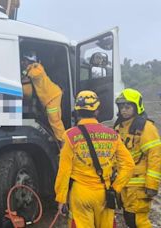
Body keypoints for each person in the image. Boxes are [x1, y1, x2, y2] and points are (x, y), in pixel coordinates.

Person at [54, 90, 134, 228]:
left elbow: (64, 170)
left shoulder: (69, 135)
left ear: (77, 111)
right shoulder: (112, 134)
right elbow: (129, 165)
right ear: (97, 111)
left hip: (81, 194)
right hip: (105, 193)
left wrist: (61, 198)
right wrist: (116, 188)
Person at [114, 88, 161, 228]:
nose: (124, 110)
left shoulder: (146, 128)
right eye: (121, 107)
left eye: (127, 107)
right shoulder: (119, 127)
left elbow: (155, 156)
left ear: (136, 106)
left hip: (139, 185)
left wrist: (152, 185)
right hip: (125, 184)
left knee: (139, 221)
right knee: (129, 219)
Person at [20, 51, 65, 143]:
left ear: (30, 61)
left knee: (55, 120)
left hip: (53, 96)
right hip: (48, 98)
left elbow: (34, 74)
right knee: (51, 119)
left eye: (24, 60)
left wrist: (25, 71)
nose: (22, 62)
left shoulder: (37, 67)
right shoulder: (31, 68)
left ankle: (63, 143)